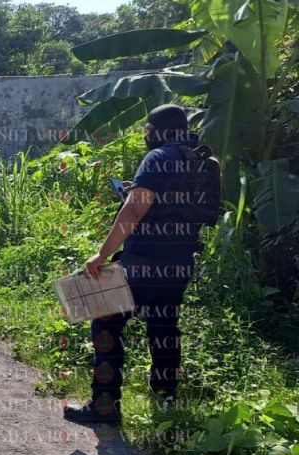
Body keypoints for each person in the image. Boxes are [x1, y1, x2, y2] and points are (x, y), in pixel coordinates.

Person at [64, 104, 221, 424]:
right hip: (179, 264)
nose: (146, 135)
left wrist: (102, 255)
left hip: (142, 264)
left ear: (161, 130)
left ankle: (105, 407)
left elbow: (135, 211)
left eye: (148, 129)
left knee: (106, 324)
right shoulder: (204, 160)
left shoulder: (158, 157)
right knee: (163, 328)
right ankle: (166, 398)